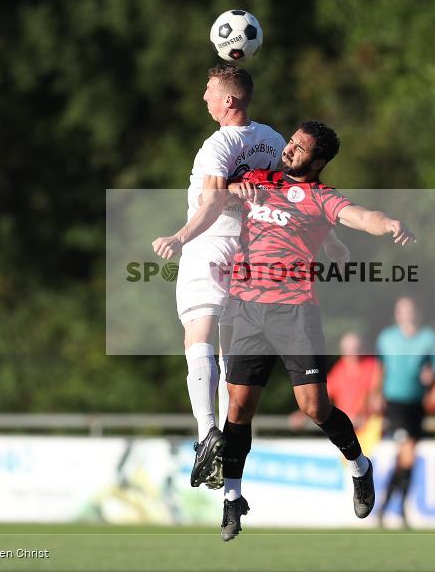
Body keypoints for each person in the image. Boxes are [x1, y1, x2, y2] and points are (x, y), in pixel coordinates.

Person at [217, 120, 416, 541]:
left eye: (299, 148)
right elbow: (214, 192)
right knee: (238, 409)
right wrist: (234, 191)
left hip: (294, 312)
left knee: (313, 407)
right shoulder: (257, 178)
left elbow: (361, 215)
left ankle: (359, 466)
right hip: (247, 308)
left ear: (319, 161)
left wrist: (389, 223)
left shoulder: (320, 198)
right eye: (290, 142)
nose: (288, 150)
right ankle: (232, 499)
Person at [151, 65, 348, 489]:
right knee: (230, 358)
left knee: (197, 338)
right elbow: (299, 194)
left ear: (228, 101)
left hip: (209, 247)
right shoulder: (273, 140)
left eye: (208, 91)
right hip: (248, 259)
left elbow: (209, 203)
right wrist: (329, 240)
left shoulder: (218, 145)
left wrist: (180, 237)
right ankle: (222, 442)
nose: (204, 97)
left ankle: (207, 435)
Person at [371, 296, 435, 528]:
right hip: (395, 402)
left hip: (416, 403)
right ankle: (397, 508)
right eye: (403, 310)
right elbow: (380, 368)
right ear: (397, 314)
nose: (407, 314)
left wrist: (431, 378)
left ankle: (388, 506)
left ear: (417, 312)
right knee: (407, 452)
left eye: (411, 310)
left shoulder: (429, 338)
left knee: (406, 457)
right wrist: (376, 394)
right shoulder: (387, 338)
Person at [288, 332, 382, 433]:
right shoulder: (339, 370)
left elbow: (376, 396)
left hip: (370, 429)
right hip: (347, 429)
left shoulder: (374, 366)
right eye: (349, 349)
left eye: (356, 348)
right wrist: (302, 414)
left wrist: (361, 415)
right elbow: (320, 397)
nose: (353, 352)